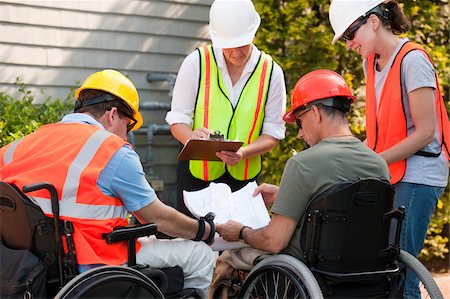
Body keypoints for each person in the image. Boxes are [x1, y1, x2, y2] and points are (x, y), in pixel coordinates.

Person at [0, 69, 216, 298]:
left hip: (31, 266)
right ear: (113, 115)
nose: (126, 136)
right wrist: (204, 230)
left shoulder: (19, 147)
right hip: (95, 262)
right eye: (129, 125)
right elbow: (156, 217)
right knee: (200, 255)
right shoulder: (112, 150)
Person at [216, 69, 390, 278]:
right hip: (364, 271)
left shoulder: (303, 163)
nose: (299, 133)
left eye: (299, 121)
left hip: (306, 269)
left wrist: (241, 231)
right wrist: (286, 195)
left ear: (315, 113)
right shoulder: (379, 164)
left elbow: (273, 242)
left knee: (227, 258)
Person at [328, 1, 450, 297]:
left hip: (419, 174)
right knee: (382, 268)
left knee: (401, 272)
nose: (348, 44)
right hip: (391, 170)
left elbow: (425, 133)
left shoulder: (413, 60)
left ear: (372, 21)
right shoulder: (370, 63)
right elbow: (383, 131)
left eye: (349, 34)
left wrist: (374, 160)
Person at [165, 0, 287, 216]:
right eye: (229, 45)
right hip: (196, 178)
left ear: (254, 33)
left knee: (237, 246)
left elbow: (273, 134)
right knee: (195, 247)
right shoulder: (197, 62)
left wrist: (243, 153)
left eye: (243, 44)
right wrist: (193, 139)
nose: (237, 53)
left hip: (244, 181)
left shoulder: (271, 72)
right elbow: (178, 121)